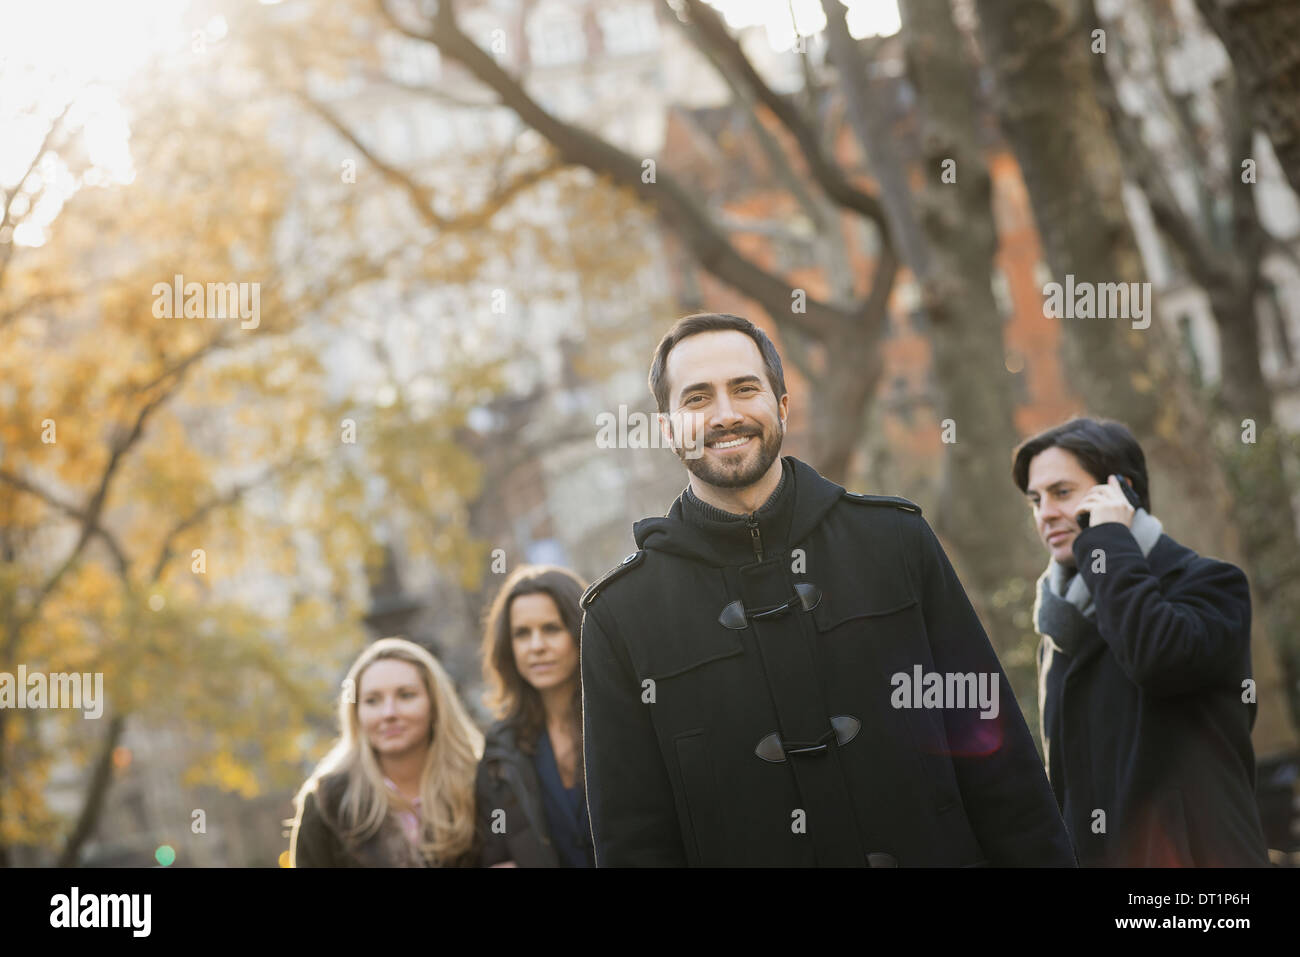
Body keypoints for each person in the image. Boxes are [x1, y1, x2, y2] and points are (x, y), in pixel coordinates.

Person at [579, 312, 1074, 866]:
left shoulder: (896, 543)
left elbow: (999, 765)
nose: (725, 415)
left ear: (783, 406)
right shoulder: (620, 616)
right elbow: (633, 841)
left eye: (745, 389)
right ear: (668, 428)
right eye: (697, 399)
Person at [1013, 417, 1270, 866]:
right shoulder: (1057, 633)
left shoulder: (1211, 586)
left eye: (1062, 492)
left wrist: (1108, 539)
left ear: (1120, 493)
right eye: (1036, 499)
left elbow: (1156, 658)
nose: (1045, 513)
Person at [289, 636, 482, 867]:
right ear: (356, 713)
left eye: (406, 695)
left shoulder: (481, 783)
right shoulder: (325, 803)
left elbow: (504, 837)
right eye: (372, 700)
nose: (388, 713)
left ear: (435, 704)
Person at [475, 565, 594, 867]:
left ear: (581, 631)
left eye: (551, 628)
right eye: (522, 634)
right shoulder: (500, 749)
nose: (536, 646)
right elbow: (495, 852)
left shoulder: (624, 723)